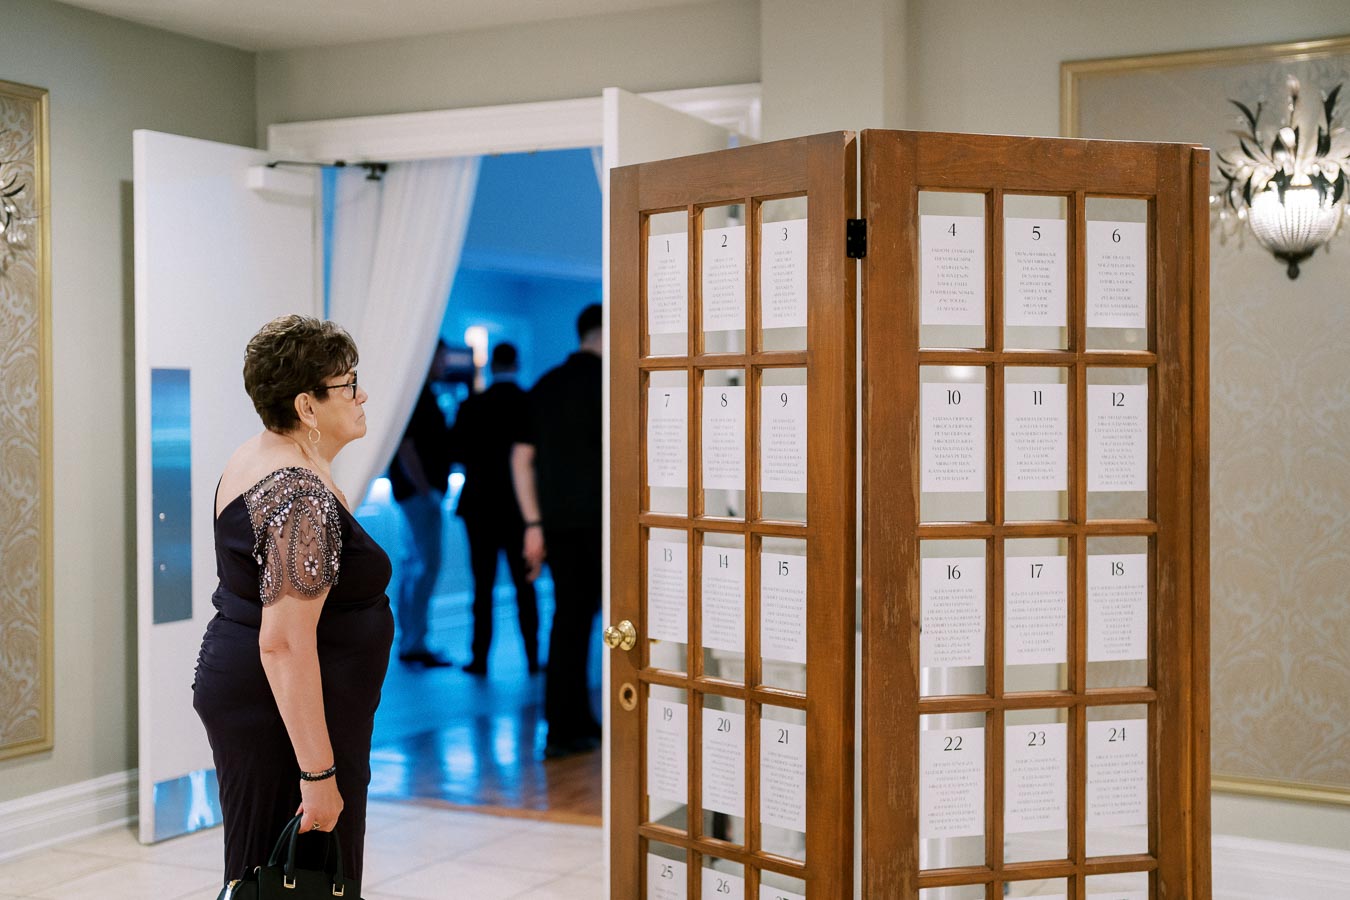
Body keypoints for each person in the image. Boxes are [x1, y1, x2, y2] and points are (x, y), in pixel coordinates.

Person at [193, 315, 391, 888]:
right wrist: (318, 772)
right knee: (287, 878)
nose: (362, 395)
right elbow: (282, 642)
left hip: (277, 701)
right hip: (285, 712)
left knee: (272, 873)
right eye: (348, 384)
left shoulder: (266, 456)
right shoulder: (298, 496)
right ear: (308, 406)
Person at [512, 304, 604, 759]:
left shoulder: (545, 385)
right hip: (604, 522)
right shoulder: (613, 382)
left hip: (558, 524)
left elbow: (520, 460)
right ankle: (575, 725)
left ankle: (569, 724)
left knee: (568, 620)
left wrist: (534, 523)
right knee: (607, 622)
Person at [449, 342, 540, 676]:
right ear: (516, 362)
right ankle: (532, 657)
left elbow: (456, 449)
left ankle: (480, 657)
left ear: (492, 366)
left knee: (482, 586)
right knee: (524, 585)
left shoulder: (473, 404)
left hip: (478, 506)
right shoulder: (527, 402)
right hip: (517, 509)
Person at [388, 342, 455, 668]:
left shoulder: (420, 394)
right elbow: (407, 447)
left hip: (415, 492)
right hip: (418, 494)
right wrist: (426, 488)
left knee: (415, 564)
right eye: (441, 356)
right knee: (424, 565)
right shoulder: (419, 397)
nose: (445, 362)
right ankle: (415, 641)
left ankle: (412, 638)